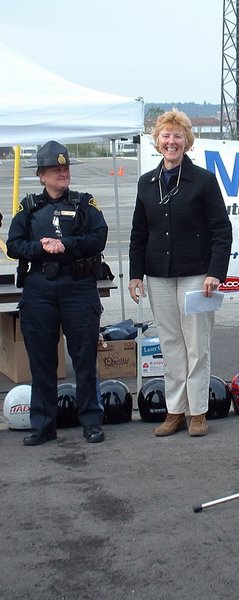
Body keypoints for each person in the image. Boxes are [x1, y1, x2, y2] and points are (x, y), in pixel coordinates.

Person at [128, 110, 232, 437]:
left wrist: (216, 272)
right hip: (158, 274)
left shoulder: (203, 180)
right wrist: (135, 275)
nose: (171, 142)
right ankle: (175, 410)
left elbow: (221, 231)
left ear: (187, 141)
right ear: (156, 141)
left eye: (177, 136)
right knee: (170, 343)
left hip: (196, 275)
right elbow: (138, 233)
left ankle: (198, 411)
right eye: (165, 136)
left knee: (196, 344)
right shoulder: (147, 183)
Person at [7, 140, 108, 446]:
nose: (62, 173)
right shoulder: (28, 208)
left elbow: (99, 238)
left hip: (78, 287)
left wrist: (68, 245)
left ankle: (91, 420)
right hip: (39, 290)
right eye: (55, 169)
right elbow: (13, 245)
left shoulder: (85, 203)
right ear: (41, 175)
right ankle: (43, 424)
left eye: (65, 169)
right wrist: (39, 247)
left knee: (83, 358)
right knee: (41, 360)